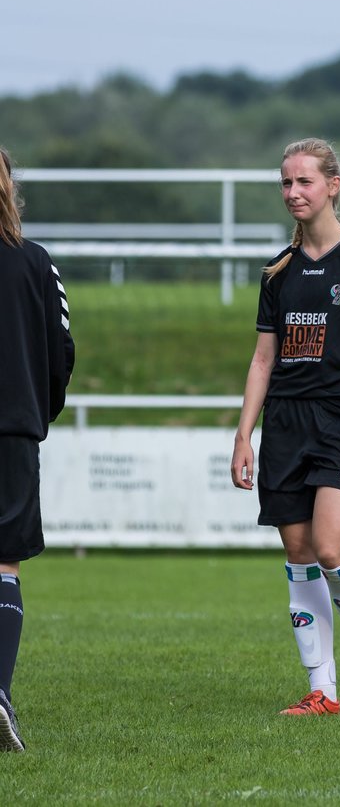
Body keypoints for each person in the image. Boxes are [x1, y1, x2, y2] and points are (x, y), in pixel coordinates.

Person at [231, 138, 340, 716]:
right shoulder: (278, 271)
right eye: (285, 182)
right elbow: (262, 361)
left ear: (333, 186)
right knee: (299, 552)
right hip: (285, 425)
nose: (293, 192)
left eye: (304, 181)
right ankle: (322, 691)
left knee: (332, 547)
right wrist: (243, 434)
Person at [0, 146, 75, 753]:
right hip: (12, 431)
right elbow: (62, 349)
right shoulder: (35, 262)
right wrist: (35, 410)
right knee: (4, 562)